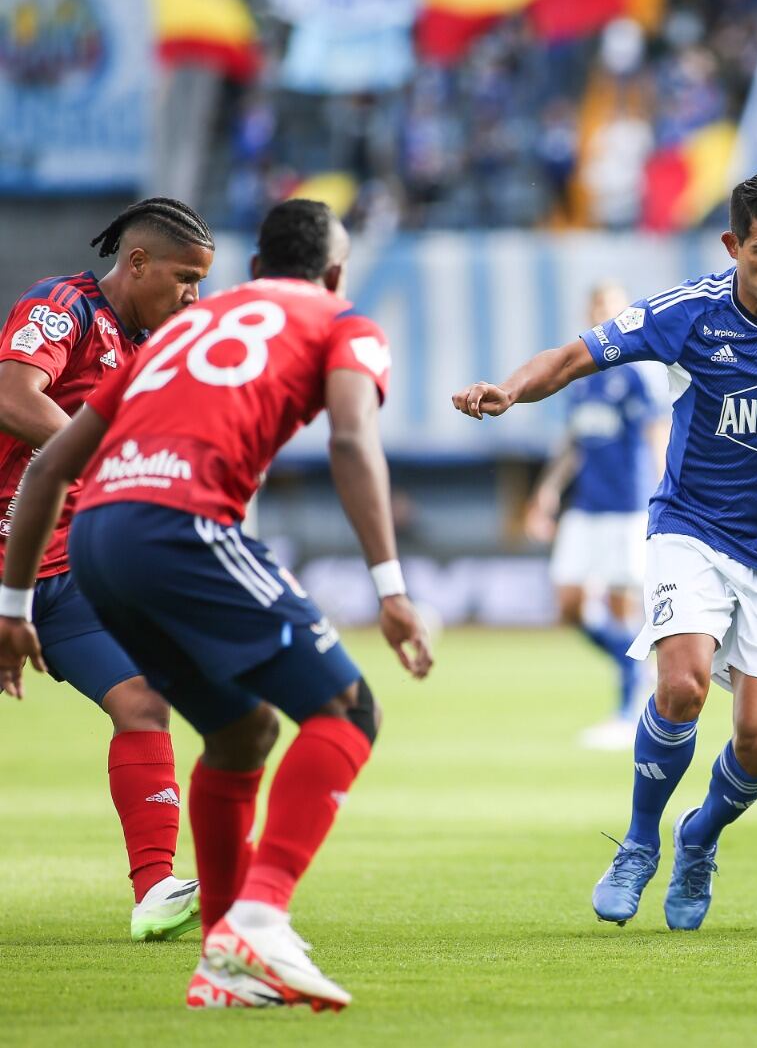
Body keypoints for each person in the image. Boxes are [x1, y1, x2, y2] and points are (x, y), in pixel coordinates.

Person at [0, 199, 433, 1011]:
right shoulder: (346, 322)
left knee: (237, 728)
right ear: (334, 274)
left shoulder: (181, 335)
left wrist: (12, 602)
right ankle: (259, 921)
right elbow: (349, 439)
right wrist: (390, 585)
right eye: (185, 278)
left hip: (87, 541)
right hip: (170, 525)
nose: (195, 292)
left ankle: (217, 951)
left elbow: (54, 465)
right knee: (347, 708)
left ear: (254, 269)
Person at [452, 170, 757, 931]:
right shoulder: (688, 312)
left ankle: (699, 838)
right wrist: (509, 391)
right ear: (732, 246)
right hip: (692, 528)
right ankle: (637, 842)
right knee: (683, 685)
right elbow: (575, 356)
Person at [0, 197, 213, 941]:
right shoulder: (61, 308)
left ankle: (155, 890)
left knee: (143, 704)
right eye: (186, 279)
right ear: (138, 263)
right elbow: (13, 396)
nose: (194, 297)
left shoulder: (145, 349)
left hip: (60, 574)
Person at [524, 281, 668, 750]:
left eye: (610, 306)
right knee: (568, 604)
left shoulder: (637, 373)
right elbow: (575, 442)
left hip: (628, 504)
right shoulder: (581, 375)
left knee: (621, 605)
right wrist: (547, 491)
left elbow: (655, 432)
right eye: (596, 307)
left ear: (624, 313)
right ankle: (634, 669)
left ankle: (629, 711)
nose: (602, 314)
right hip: (585, 506)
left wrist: (669, 490)